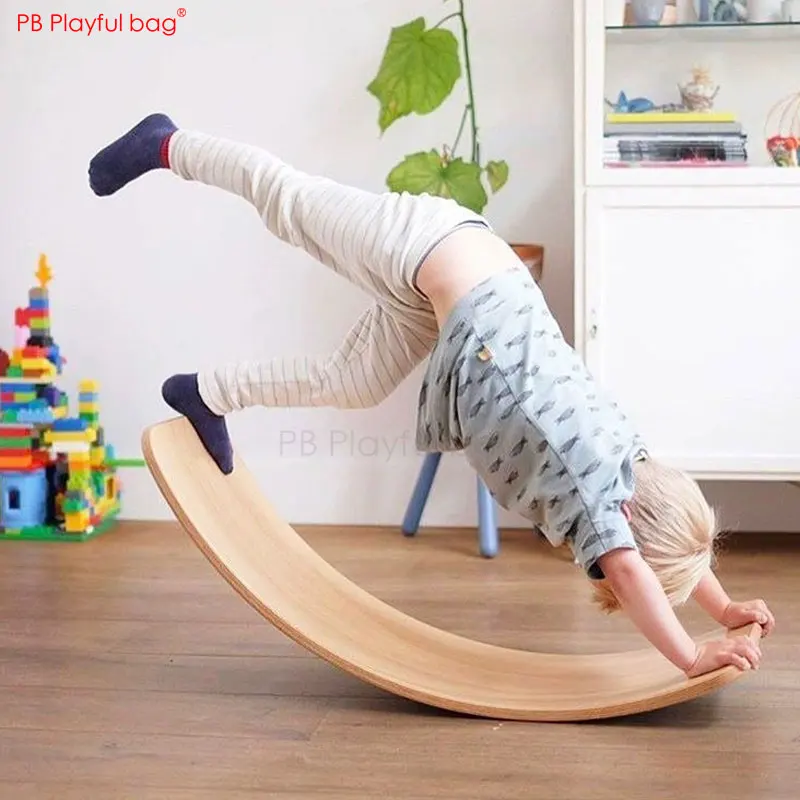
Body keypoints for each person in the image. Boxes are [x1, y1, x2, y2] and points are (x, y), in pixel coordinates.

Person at [88, 113, 775, 678]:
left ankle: (204, 394)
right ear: (622, 518)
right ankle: (169, 143)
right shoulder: (594, 484)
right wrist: (689, 655)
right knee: (287, 201)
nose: (601, 562)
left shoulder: (627, 460)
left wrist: (724, 609)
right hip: (426, 245)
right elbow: (632, 567)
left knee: (351, 382)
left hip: (446, 286)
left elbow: (667, 541)